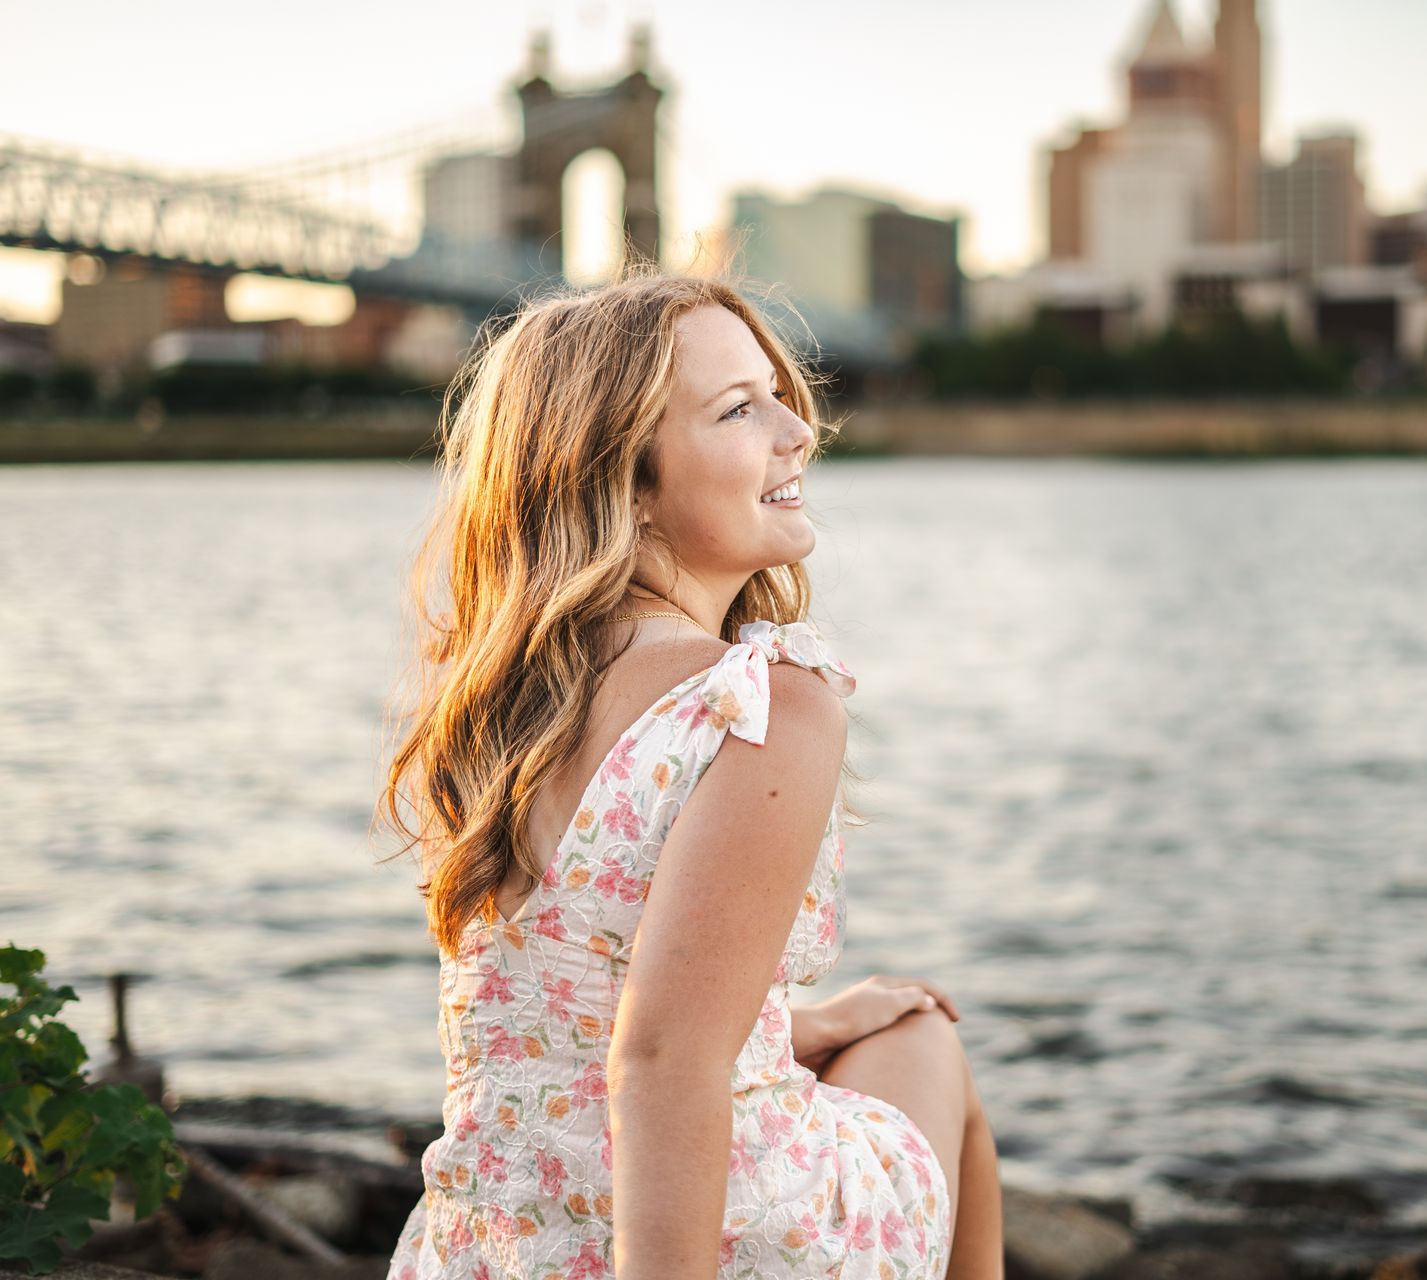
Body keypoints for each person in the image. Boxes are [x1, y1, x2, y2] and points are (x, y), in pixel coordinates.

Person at [374, 269, 1004, 1279]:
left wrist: (795, 1023)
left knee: (869, 1028)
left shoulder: (500, 708)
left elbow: (574, 1004)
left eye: (777, 394)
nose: (798, 429)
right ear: (627, 478)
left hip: (492, 1247)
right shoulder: (762, 703)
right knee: (927, 1037)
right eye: (739, 409)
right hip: (728, 1244)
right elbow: (663, 1061)